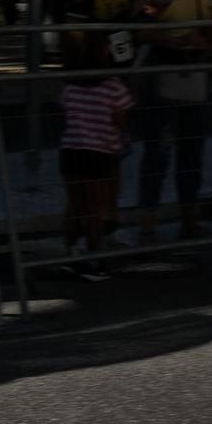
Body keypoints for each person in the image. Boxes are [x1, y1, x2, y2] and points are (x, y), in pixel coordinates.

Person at [138, 0, 212, 242]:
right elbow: (142, 30)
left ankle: (189, 218)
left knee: (192, 151)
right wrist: (175, 41)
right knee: (159, 150)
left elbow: (209, 31)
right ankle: (148, 219)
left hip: (194, 74)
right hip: (166, 73)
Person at [56, 61, 134, 281]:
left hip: (71, 149)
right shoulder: (114, 86)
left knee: (75, 205)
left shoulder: (70, 87)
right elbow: (120, 119)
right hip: (98, 152)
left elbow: (64, 114)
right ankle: (92, 258)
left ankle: (71, 251)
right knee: (95, 208)